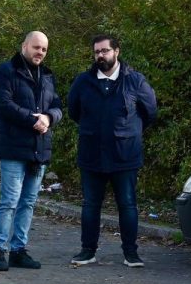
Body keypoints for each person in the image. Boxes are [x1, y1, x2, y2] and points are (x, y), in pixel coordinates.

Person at [67, 35, 157, 268]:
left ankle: (131, 253)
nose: (100, 55)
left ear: (116, 51)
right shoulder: (83, 82)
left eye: (105, 50)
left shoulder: (135, 81)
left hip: (124, 155)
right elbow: (73, 111)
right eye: (97, 51)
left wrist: (129, 132)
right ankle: (88, 251)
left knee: (127, 204)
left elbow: (150, 112)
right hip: (92, 154)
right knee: (90, 205)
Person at [0, 31, 63, 271]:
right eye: (36, 47)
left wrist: (49, 118)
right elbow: (3, 104)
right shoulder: (7, 71)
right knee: (9, 201)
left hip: (39, 149)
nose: (40, 52)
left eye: (44, 49)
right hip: (13, 148)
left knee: (28, 202)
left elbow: (57, 106)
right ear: (24, 46)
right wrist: (33, 120)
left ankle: (19, 250)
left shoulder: (48, 76)